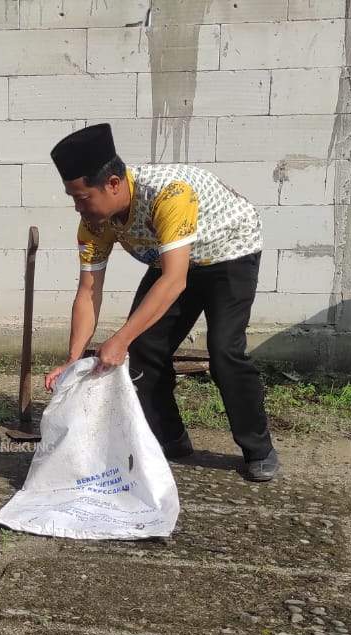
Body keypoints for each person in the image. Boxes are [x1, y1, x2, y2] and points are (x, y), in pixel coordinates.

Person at [44, 123, 279, 482]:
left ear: (113, 184)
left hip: (229, 252)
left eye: (82, 197)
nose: (78, 207)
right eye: (72, 198)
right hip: (173, 261)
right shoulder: (95, 222)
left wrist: (119, 339)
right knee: (146, 350)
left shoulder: (169, 194)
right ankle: (171, 439)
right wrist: (74, 361)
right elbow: (88, 291)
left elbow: (175, 280)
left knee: (224, 351)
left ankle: (258, 450)